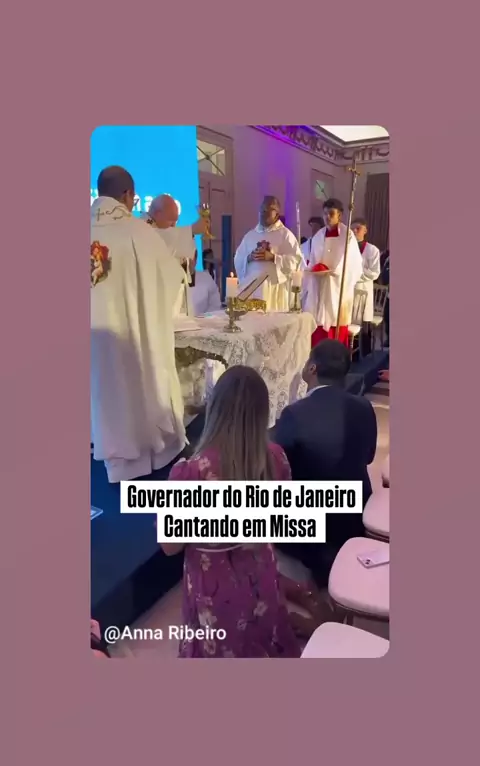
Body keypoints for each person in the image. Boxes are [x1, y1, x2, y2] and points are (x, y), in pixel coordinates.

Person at [162, 366, 300, 658]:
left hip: (213, 591)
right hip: (261, 574)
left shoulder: (189, 474)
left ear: (215, 408)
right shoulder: (276, 457)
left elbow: (170, 547)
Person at [91, 166, 187, 482]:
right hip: (128, 337)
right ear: (127, 195)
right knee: (136, 382)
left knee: (102, 387)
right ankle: (146, 452)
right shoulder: (139, 232)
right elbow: (170, 281)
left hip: (93, 341)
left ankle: (106, 448)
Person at [272, 340, 377, 587]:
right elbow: (369, 457)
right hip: (355, 516)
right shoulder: (364, 406)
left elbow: (280, 471)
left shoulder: (294, 413)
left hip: (309, 529)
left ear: (312, 368)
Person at [302, 198, 363, 348]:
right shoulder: (318, 236)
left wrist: (333, 272)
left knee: (336, 325)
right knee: (318, 327)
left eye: (331, 213)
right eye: (325, 214)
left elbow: (353, 264)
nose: (327, 217)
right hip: (319, 286)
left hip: (338, 288)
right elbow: (313, 259)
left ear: (339, 215)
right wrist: (314, 269)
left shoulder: (348, 236)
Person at [234, 196, 302, 311]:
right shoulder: (250, 236)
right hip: (252, 290)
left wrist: (273, 258)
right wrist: (249, 258)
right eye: (261, 209)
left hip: (275, 289)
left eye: (268, 209)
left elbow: (296, 261)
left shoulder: (286, 235)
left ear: (277, 214)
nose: (263, 213)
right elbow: (238, 259)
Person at [351, 217, 381, 355]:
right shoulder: (346, 249)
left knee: (363, 326)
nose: (354, 231)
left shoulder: (372, 250)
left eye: (358, 228)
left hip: (363, 290)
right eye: (352, 229)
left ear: (365, 230)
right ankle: (351, 354)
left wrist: (356, 274)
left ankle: (366, 355)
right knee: (349, 325)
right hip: (349, 291)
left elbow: (374, 273)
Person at [188, 250, 222, 315]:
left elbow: (215, 305)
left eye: (190, 258)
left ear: (195, 260)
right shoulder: (171, 281)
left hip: (203, 320)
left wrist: (204, 317)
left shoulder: (206, 278)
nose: (188, 263)